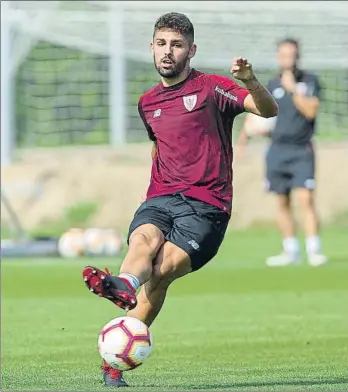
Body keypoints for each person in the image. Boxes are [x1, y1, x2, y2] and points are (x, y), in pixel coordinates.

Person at [82, 12, 278, 387]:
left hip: (207, 206)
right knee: (143, 240)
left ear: (191, 50)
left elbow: (268, 111)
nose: (167, 51)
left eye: (176, 44)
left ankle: (115, 361)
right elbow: (159, 148)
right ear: (152, 48)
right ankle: (123, 283)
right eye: (161, 44)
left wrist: (250, 81)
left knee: (159, 275)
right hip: (161, 196)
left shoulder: (212, 89)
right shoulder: (147, 102)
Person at [235, 38, 328, 267]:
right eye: (284, 55)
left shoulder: (309, 81)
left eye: (292, 55)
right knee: (282, 201)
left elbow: (311, 111)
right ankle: (291, 251)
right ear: (279, 57)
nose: (288, 59)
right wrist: (242, 141)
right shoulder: (270, 84)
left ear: (298, 56)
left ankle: (314, 250)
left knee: (306, 199)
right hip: (276, 149)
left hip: (301, 149)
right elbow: (257, 115)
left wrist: (293, 89)